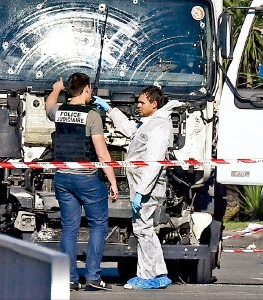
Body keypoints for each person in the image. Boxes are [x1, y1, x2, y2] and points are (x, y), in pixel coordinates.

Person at [94, 85, 181, 290]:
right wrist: (110, 110)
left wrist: (142, 191)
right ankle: (156, 273)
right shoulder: (150, 124)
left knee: (144, 230)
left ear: (154, 103)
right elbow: (130, 130)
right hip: (143, 187)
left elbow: (153, 161)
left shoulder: (159, 127)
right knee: (144, 229)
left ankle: (148, 275)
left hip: (148, 188)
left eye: (142, 102)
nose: (138, 106)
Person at [45, 73, 119, 292]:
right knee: (98, 224)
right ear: (86, 89)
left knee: (69, 228)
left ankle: (69, 278)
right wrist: (112, 181)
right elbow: (103, 154)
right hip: (87, 178)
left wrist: (57, 88)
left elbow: (49, 105)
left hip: (63, 177)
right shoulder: (92, 116)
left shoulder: (59, 112)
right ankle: (93, 277)